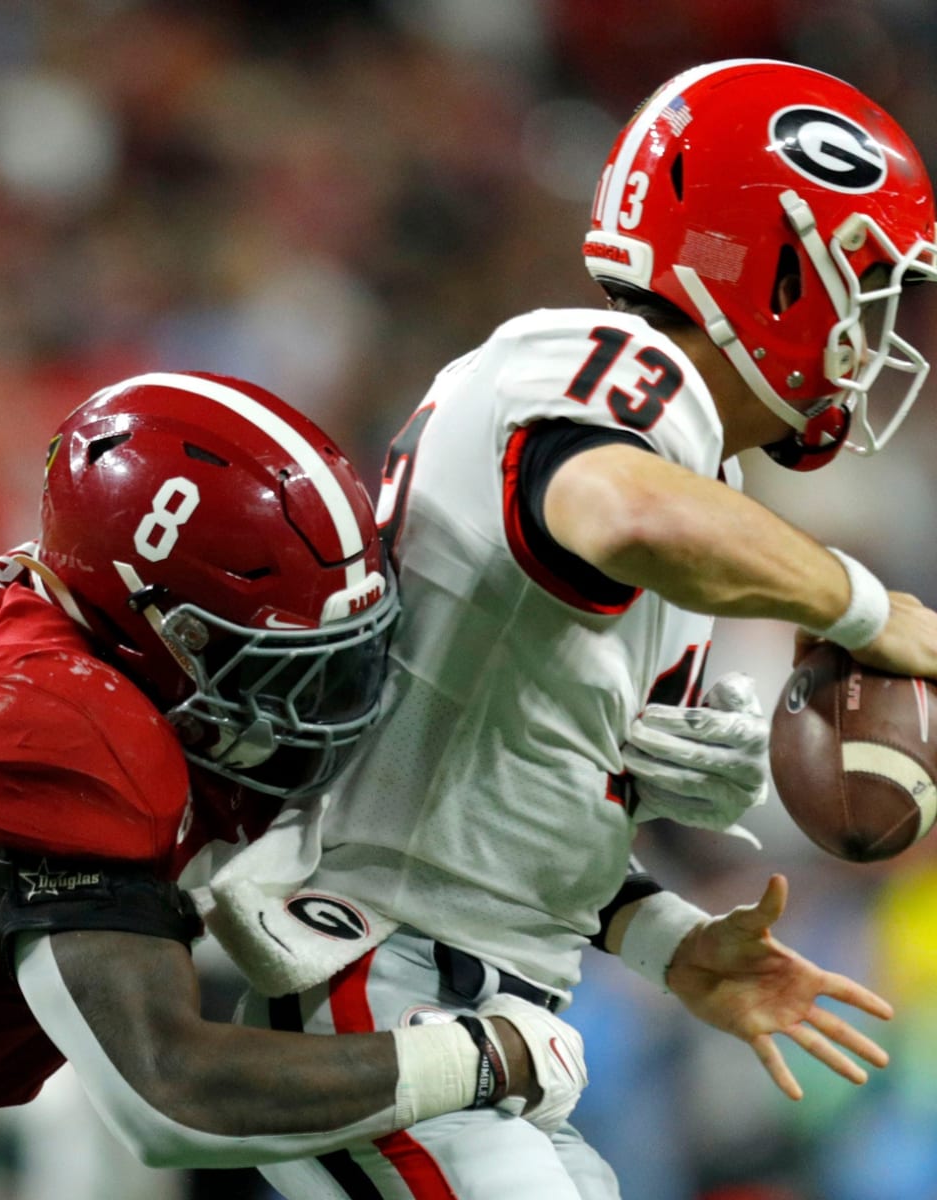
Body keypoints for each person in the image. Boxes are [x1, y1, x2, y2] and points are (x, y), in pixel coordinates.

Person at [205, 59, 937, 1198]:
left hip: (469, 1001)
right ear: (781, 269)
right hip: (384, 981)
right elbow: (622, 510)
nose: (882, 325)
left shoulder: (695, 463)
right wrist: (868, 603)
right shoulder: (605, 372)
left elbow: (510, 788)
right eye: (869, 281)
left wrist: (674, 943)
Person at [0, 370, 588, 1200]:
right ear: (157, 627)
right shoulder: (49, 717)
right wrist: (478, 1058)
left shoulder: (90, 625)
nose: (332, 703)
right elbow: (170, 1093)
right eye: (286, 666)